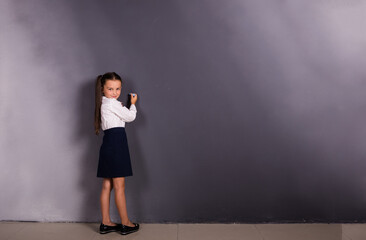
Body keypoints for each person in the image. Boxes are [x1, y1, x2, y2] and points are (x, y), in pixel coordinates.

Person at [94, 72, 139, 235]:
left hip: (108, 145)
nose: (115, 92)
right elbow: (130, 117)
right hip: (116, 145)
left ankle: (105, 222)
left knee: (107, 185)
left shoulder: (104, 103)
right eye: (110, 88)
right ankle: (126, 223)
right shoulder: (112, 104)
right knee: (120, 186)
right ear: (103, 88)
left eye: (118, 88)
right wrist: (133, 104)